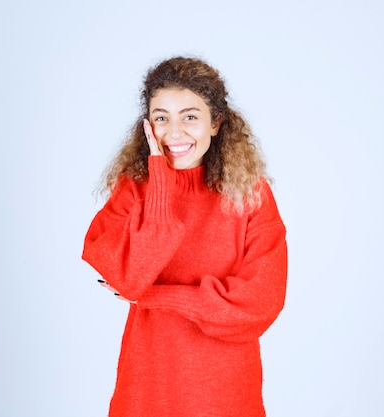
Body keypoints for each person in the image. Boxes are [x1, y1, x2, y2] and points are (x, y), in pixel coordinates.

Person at [82, 56, 288, 417]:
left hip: (224, 391)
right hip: (148, 385)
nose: (174, 133)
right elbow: (130, 280)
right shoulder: (135, 190)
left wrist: (159, 296)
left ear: (216, 123)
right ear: (148, 126)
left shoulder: (251, 195)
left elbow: (258, 304)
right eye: (162, 118)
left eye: (189, 116)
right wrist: (160, 178)